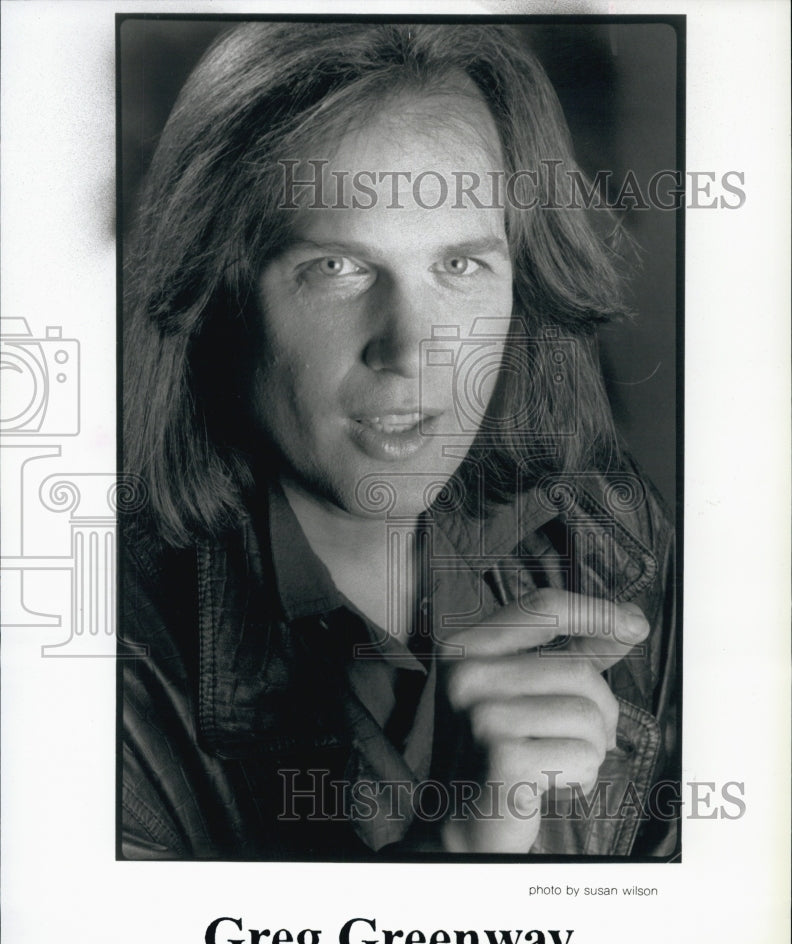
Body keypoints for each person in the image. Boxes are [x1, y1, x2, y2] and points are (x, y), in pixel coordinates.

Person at [120, 21, 677, 859]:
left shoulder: (617, 550)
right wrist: (454, 850)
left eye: (460, 267)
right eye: (336, 268)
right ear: (217, 292)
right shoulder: (98, 673)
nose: (411, 351)